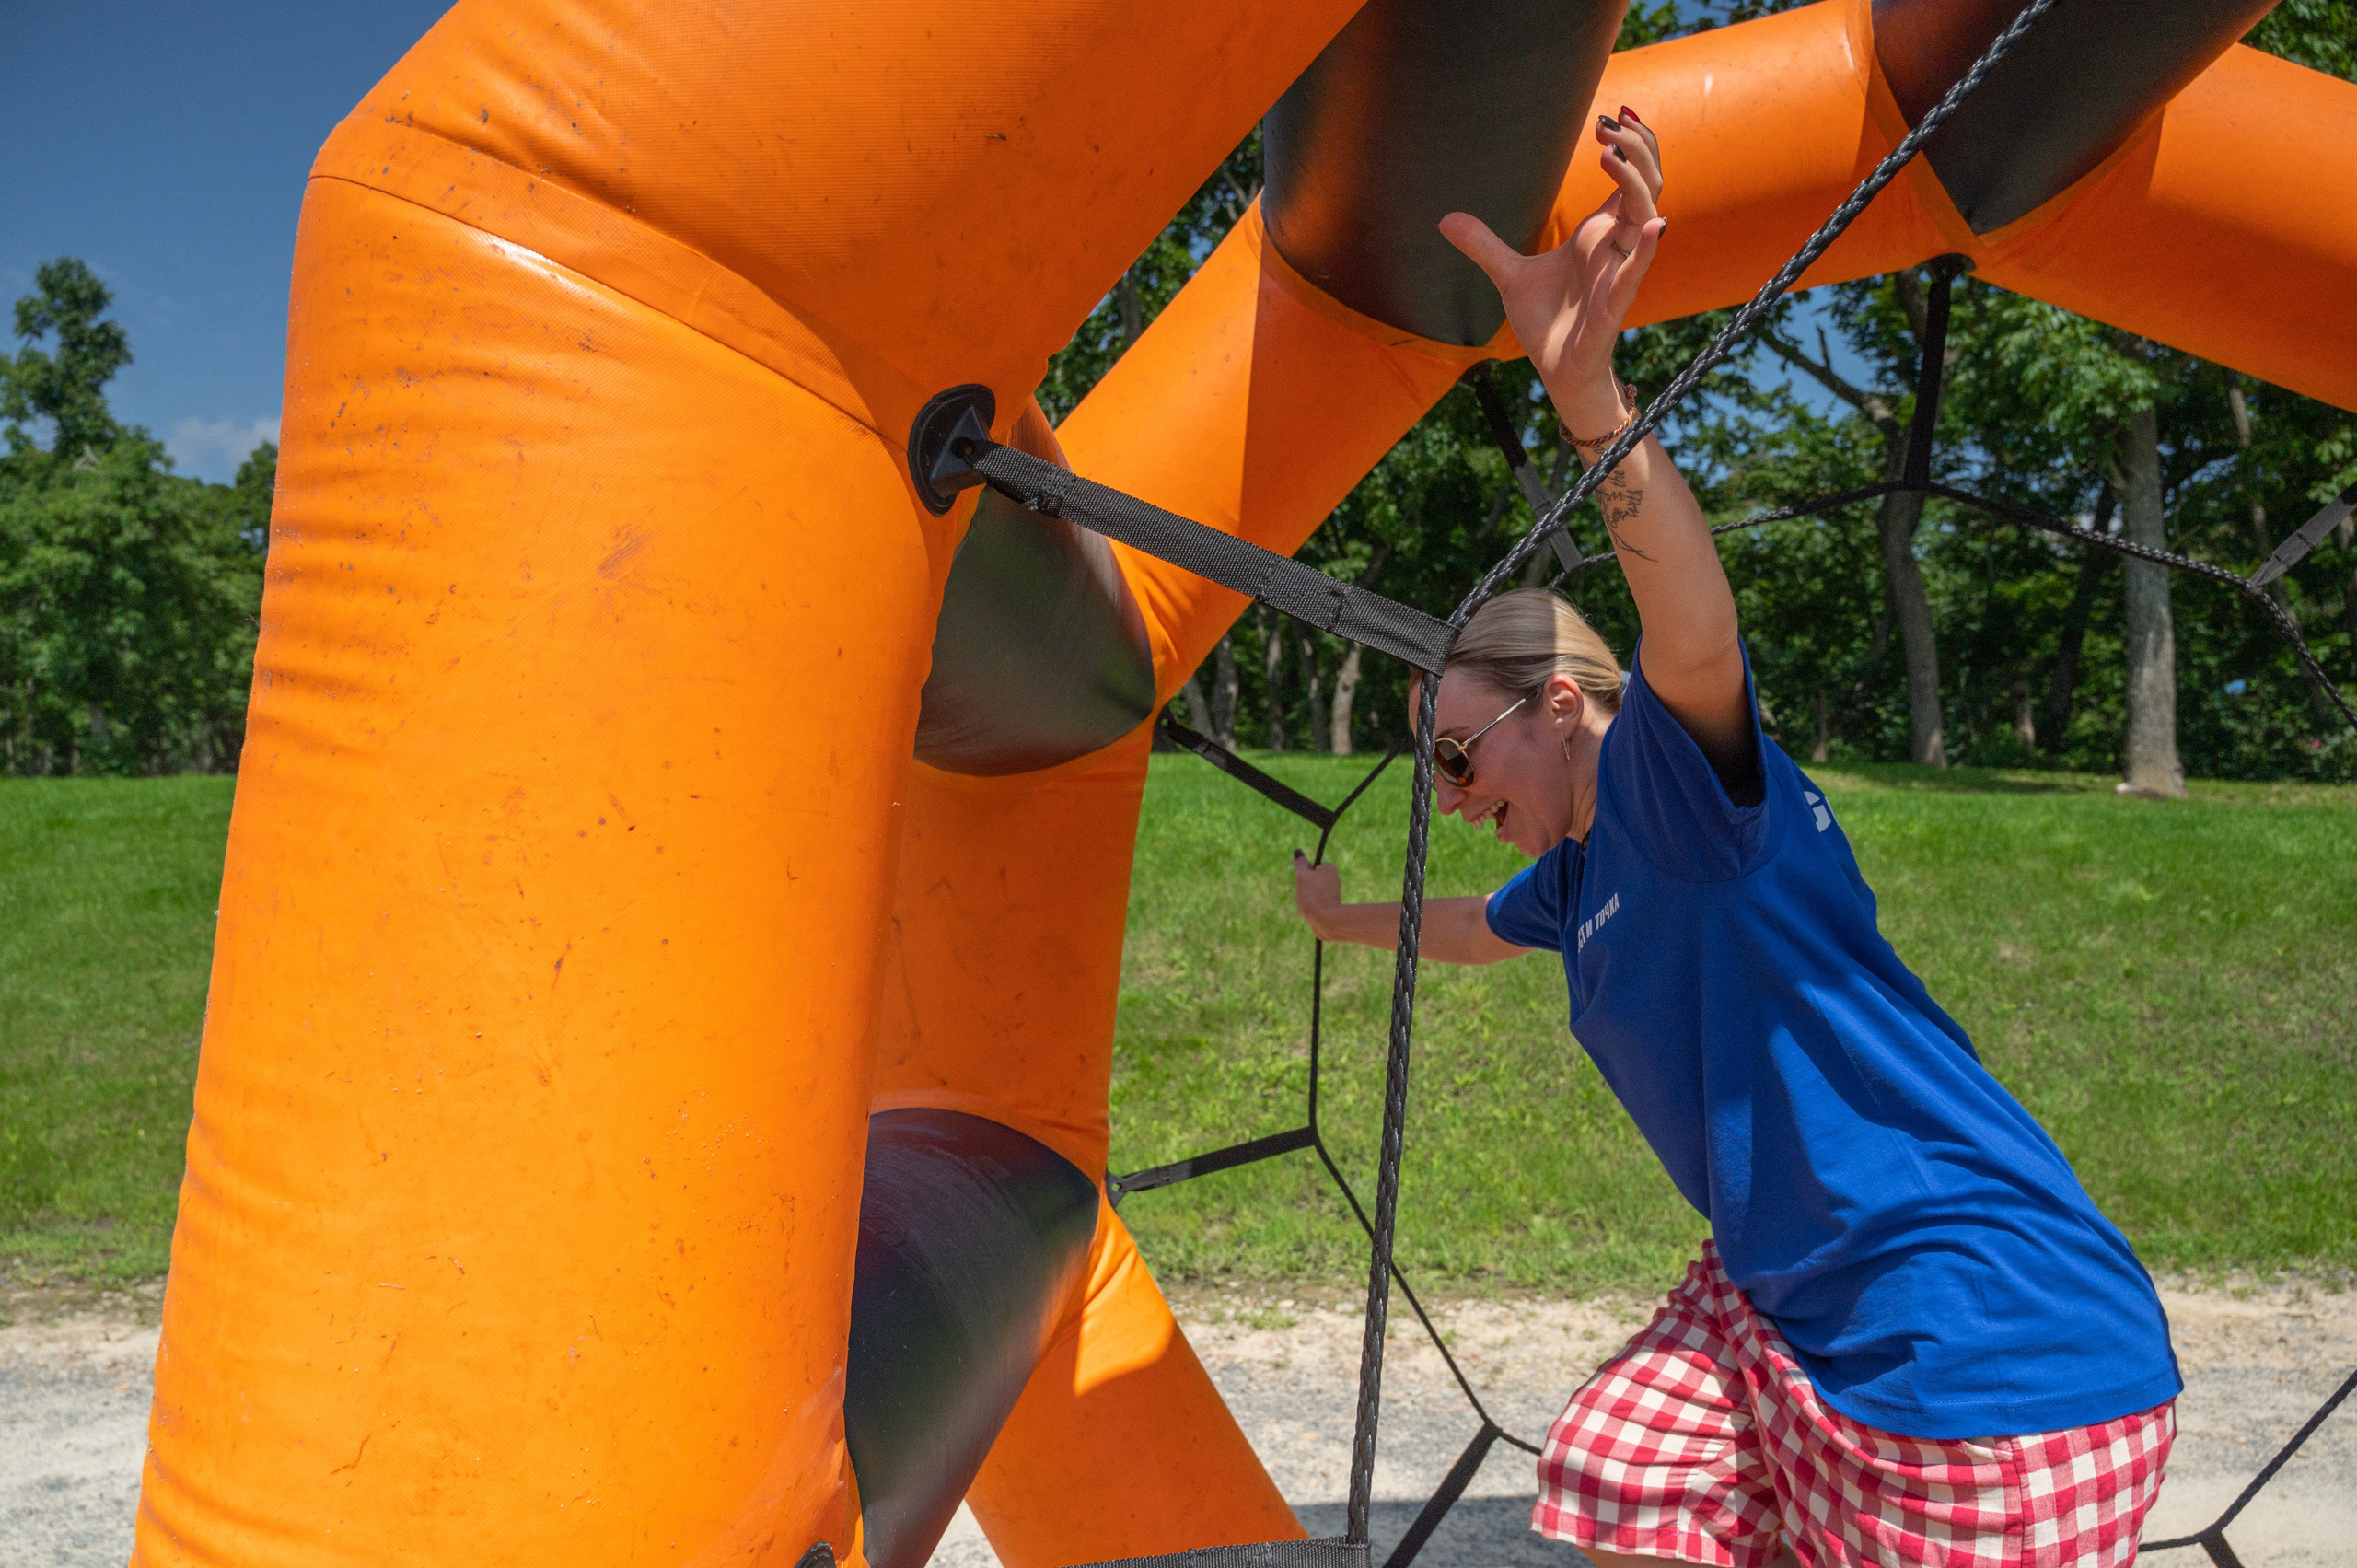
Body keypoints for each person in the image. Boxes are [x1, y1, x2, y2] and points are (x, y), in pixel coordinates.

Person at [1290, 107, 2179, 1568]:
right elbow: (1465, 926)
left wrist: (1590, 400)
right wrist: (1338, 919)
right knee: (1625, 1473)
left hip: (1981, 1343)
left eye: (1456, 754)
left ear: (1561, 706)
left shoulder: (1673, 786)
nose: (1445, 794)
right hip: (1781, 1303)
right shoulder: (1580, 879)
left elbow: (1694, 630)